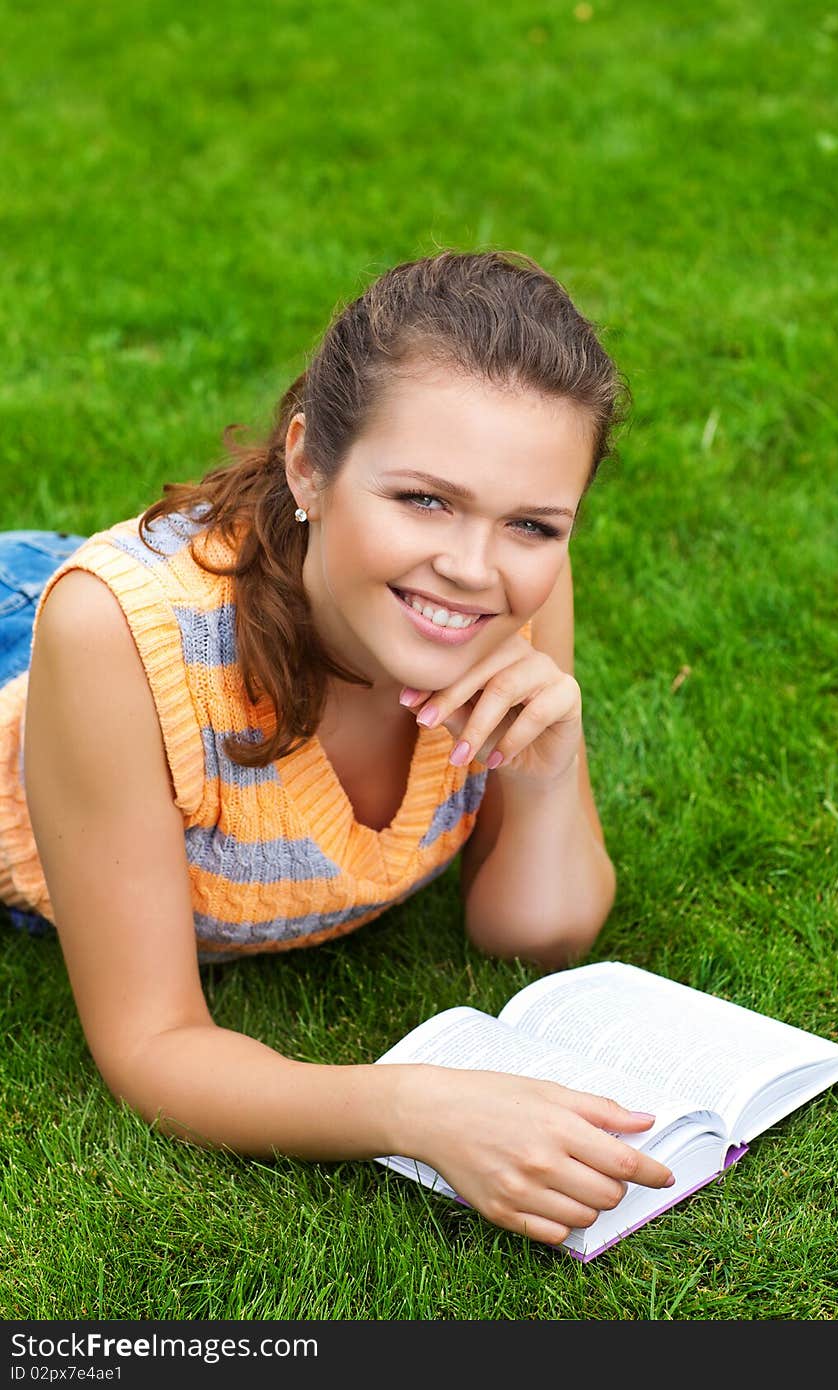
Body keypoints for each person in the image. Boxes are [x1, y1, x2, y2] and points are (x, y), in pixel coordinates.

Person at [0, 249, 674, 1247]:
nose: (471, 568)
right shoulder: (115, 640)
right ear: (309, 461)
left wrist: (548, 771)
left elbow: (535, 933)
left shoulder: (507, 592)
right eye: (425, 499)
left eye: (531, 522)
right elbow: (152, 1042)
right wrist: (415, 1108)